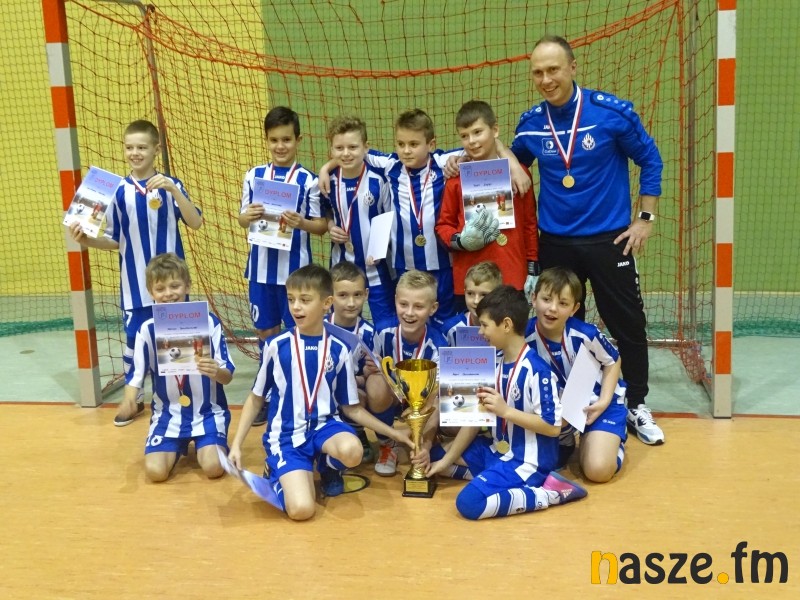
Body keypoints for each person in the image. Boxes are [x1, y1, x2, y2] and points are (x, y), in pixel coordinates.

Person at [509, 35, 665, 445]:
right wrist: (508, 161)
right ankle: (565, 406)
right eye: (538, 72)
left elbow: (650, 159)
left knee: (627, 323)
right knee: (557, 324)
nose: (546, 80)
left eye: (553, 70)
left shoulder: (611, 113)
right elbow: (508, 158)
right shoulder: (530, 124)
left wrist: (645, 219)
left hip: (610, 240)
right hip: (556, 243)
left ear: (573, 68)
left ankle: (636, 404)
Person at [227, 264, 412, 521]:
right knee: (302, 510)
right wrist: (236, 445)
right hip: (287, 437)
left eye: (305, 300)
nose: (296, 307)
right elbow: (256, 398)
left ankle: (326, 466)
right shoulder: (276, 346)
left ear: (326, 303)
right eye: (291, 299)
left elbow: (352, 408)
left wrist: (394, 434)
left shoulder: (339, 348)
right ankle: (276, 472)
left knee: (353, 451)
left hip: (325, 428)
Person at [69, 119, 203, 427]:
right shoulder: (117, 191)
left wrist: (173, 188)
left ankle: (179, 400)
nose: (135, 153)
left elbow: (195, 222)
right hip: (135, 287)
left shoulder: (171, 185)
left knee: (177, 340)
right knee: (134, 343)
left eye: (142, 147)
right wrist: (87, 240)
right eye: (129, 147)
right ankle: (134, 399)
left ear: (156, 150)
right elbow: (116, 239)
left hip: (172, 286)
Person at [426, 286, 587, 519]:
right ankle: (496, 478)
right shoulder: (495, 362)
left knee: (469, 503)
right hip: (496, 451)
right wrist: (444, 462)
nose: (480, 332)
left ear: (506, 325)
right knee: (434, 458)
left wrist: (506, 411)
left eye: (484, 325)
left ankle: (550, 493)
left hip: (528, 462)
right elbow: (476, 419)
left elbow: (553, 427)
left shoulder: (537, 371)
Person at [238, 106, 327, 426]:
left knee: (296, 333)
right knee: (266, 332)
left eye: (286, 139)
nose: (280, 146)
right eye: (274, 140)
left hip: (295, 275)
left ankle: (296, 392)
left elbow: (321, 225)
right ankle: (266, 392)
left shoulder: (308, 181)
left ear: (298, 140)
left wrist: (301, 222)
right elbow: (242, 218)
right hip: (260, 271)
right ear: (266, 140)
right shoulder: (254, 176)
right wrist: (246, 216)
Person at [120, 253, 234, 482]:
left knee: (213, 468)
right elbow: (135, 377)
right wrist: (129, 401)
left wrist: (215, 371)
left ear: (187, 286)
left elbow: (227, 375)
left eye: (175, 286)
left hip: (208, 413)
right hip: (167, 416)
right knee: (155, 473)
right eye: (160, 288)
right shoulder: (147, 329)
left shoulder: (209, 322)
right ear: (151, 292)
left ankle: (211, 442)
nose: (168, 293)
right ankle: (175, 444)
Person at [435, 100, 540, 307]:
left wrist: (532, 267)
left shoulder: (519, 175)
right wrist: (460, 241)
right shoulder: (455, 179)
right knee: (472, 329)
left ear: (495, 130)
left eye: (477, 132)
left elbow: (529, 224)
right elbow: (443, 226)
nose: (471, 141)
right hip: (470, 282)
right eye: (464, 136)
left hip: (512, 276)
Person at [526, 267, 627, 482]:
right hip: (555, 411)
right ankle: (567, 439)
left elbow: (613, 360)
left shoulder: (585, 334)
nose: (552, 309)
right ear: (534, 299)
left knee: (597, 471)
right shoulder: (522, 337)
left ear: (574, 308)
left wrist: (603, 401)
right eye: (546, 299)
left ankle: (612, 442)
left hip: (596, 404)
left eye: (563, 303)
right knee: (541, 464)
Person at [366, 269, 447, 476]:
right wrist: (369, 370)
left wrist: (425, 444)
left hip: (422, 404)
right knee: (374, 382)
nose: (409, 313)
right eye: (403, 304)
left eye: (418, 306)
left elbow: (436, 398)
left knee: (439, 401)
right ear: (395, 301)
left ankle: (423, 446)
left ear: (433, 308)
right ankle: (387, 444)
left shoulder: (438, 345)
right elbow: (368, 372)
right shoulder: (382, 332)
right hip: (392, 397)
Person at [322, 116, 395, 329]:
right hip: (341, 268)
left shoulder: (379, 180)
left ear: (366, 148)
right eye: (339, 148)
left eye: (353, 147)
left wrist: (382, 247)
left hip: (377, 268)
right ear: (331, 150)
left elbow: (390, 218)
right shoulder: (327, 182)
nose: (346, 153)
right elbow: (326, 211)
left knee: (385, 327)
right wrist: (330, 226)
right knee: (342, 326)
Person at [328, 260, 378, 462]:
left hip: (352, 391)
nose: (351, 303)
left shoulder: (370, 333)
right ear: (330, 296)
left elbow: (366, 375)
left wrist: (368, 372)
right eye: (343, 295)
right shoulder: (318, 327)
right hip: (321, 389)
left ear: (366, 294)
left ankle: (357, 433)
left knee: (360, 392)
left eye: (357, 295)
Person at [441, 261, 503, 347]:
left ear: (497, 296)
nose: (476, 301)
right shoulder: (450, 329)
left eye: (484, 295)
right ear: (464, 292)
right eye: (470, 293)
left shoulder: (505, 329)